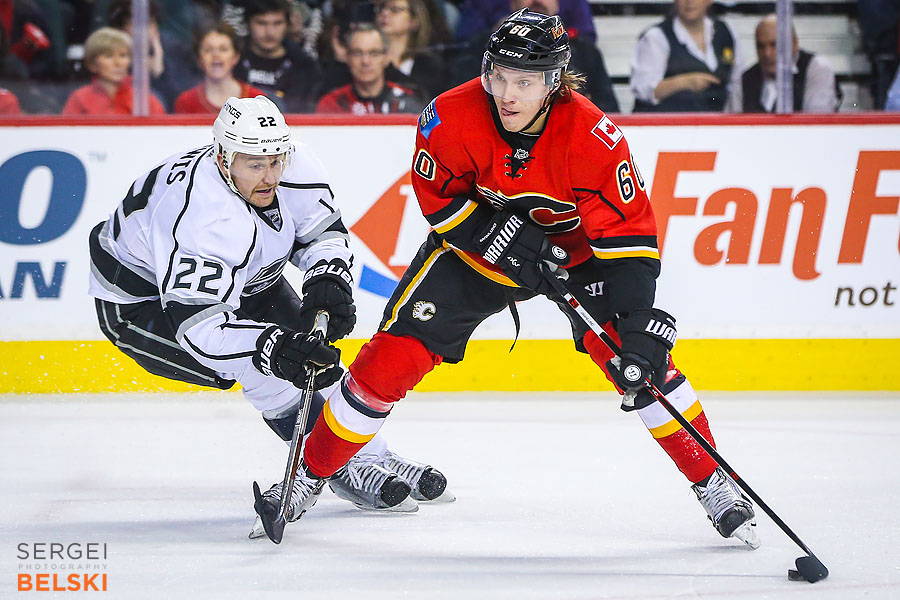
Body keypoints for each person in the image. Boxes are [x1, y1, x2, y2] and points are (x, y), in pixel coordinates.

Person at [280, 8, 761, 550]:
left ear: (554, 82)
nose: (506, 94)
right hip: (475, 255)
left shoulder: (593, 137)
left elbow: (627, 238)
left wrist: (640, 318)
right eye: (499, 76)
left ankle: (714, 480)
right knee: (390, 359)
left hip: (577, 258)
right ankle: (309, 473)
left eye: (525, 81)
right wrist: (499, 239)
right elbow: (439, 203)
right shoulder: (450, 115)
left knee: (640, 363)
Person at [87, 95, 453, 533]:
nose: (270, 175)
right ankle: (340, 467)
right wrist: (269, 347)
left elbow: (322, 233)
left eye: (276, 159)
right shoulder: (202, 217)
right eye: (254, 164)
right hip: (143, 305)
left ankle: (370, 453)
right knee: (260, 368)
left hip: (250, 279)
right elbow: (202, 330)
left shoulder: (295, 164)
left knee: (313, 359)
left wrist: (326, 278)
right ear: (222, 158)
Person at [448, 0, 618, 113]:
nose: (538, 1)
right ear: (513, 2)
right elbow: (464, 99)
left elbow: (608, 109)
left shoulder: (584, 49)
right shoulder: (484, 45)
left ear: (557, 4)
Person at [631, 0, 742, 112]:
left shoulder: (726, 32)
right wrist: (683, 83)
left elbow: (736, 84)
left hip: (715, 123)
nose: (689, 2)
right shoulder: (656, 36)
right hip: (668, 123)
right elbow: (643, 90)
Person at [736, 14, 839, 113]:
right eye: (761, 46)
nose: (767, 54)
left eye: (774, 45)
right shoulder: (746, 78)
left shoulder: (816, 69)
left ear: (794, 43)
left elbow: (816, 122)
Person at [233, 0, 322, 113]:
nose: (270, 32)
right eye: (261, 23)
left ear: (287, 25)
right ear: (247, 24)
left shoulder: (304, 66)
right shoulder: (233, 61)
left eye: (277, 23)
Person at [316, 23, 424, 114]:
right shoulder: (331, 104)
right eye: (358, 53)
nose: (365, 61)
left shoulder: (407, 101)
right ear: (347, 57)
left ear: (386, 58)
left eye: (374, 53)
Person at [62, 27, 167, 115]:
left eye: (123, 55)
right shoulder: (79, 98)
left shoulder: (145, 100)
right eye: (109, 56)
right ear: (92, 64)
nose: (118, 63)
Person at [174, 23, 267, 114]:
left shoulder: (256, 99)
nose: (216, 55)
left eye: (223, 49)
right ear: (199, 58)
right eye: (208, 50)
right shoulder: (186, 102)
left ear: (236, 57)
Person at [375, 0, 449, 99]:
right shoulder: (365, 59)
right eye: (381, 8)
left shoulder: (429, 65)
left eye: (395, 10)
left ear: (414, 21)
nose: (384, 13)